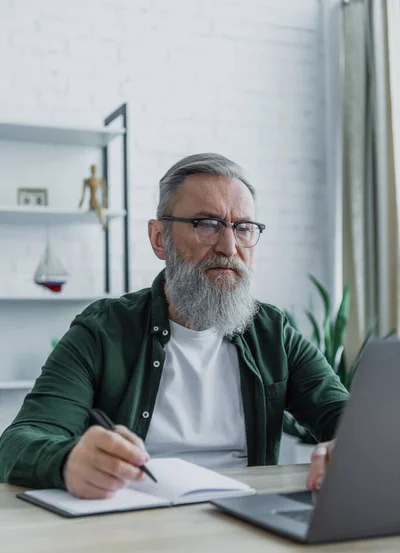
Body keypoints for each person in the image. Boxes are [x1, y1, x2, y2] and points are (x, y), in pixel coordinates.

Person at [0, 153, 347, 498]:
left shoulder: (273, 331)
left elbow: (346, 416)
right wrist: (67, 461)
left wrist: (348, 446)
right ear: (158, 238)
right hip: (135, 524)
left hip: (247, 518)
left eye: (243, 228)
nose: (229, 247)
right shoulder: (102, 331)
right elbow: (19, 442)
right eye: (206, 224)